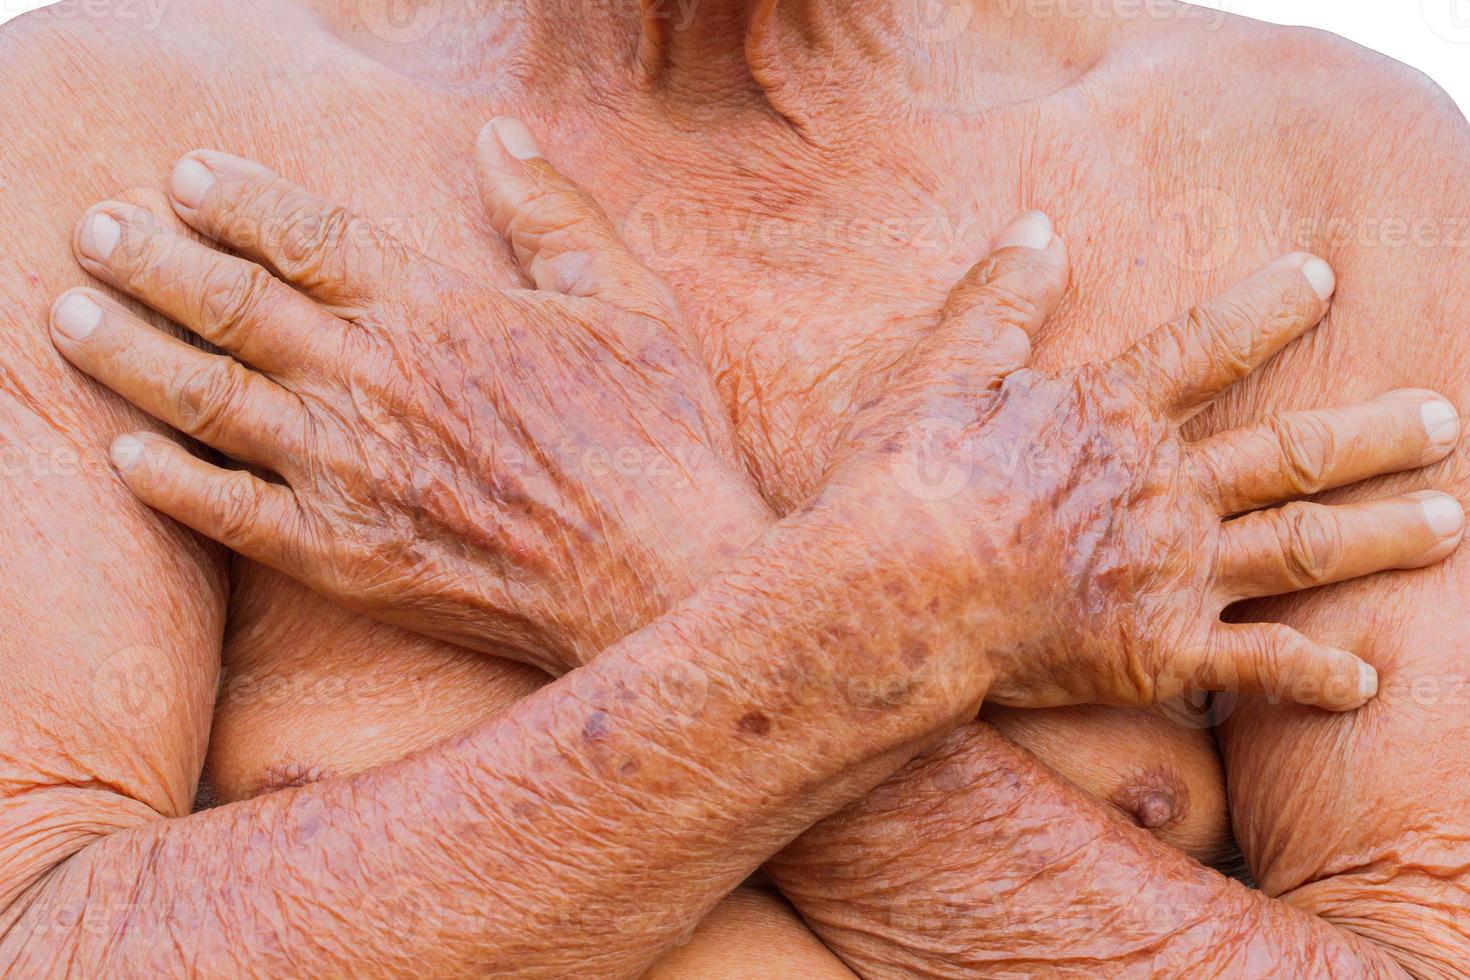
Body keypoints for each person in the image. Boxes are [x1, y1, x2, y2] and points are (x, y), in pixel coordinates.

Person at [1, 0, 1467, 973]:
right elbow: (38, 939)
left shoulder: (1318, 166)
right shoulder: (115, 122)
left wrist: (662, 567)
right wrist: (908, 601)